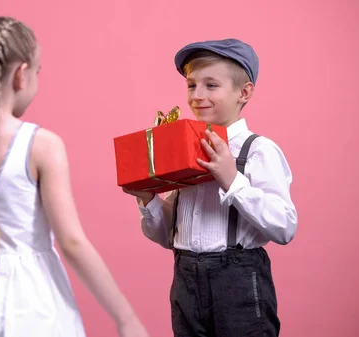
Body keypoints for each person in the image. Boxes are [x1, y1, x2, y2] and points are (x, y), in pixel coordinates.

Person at [0, 16, 149, 337]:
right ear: (21, 75)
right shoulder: (40, 145)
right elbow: (71, 242)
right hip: (31, 309)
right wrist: (126, 318)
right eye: (38, 72)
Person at [123, 38, 298, 336]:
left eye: (211, 85)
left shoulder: (257, 151)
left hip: (238, 282)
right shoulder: (185, 150)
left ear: (244, 92)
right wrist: (149, 199)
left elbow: (285, 227)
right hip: (185, 280)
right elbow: (168, 237)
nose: (197, 95)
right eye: (192, 85)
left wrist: (232, 180)